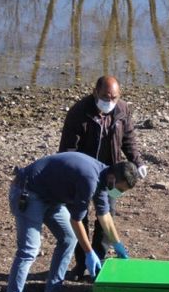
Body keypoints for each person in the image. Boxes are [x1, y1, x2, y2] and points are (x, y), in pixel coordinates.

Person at [0, 152, 139, 292]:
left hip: (52, 197)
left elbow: (104, 215)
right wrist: (89, 253)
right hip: (28, 192)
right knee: (28, 251)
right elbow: (76, 221)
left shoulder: (104, 178)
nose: (118, 193)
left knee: (68, 239)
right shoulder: (89, 179)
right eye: (120, 189)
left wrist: (118, 245)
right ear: (113, 178)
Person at [59, 75, 146, 280]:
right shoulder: (79, 112)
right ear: (95, 92)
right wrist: (71, 175)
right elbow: (68, 148)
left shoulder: (122, 110)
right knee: (80, 217)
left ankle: (98, 261)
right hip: (82, 175)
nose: (109, 101)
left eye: (114, 97)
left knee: (107, 214)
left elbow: (129, 138)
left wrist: (138, 161)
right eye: (106, 96)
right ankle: (81, 263)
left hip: (110, 174)